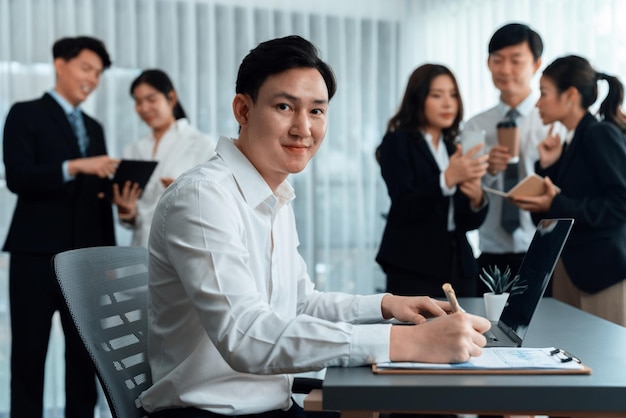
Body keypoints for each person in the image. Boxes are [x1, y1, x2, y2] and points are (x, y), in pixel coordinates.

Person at [139, 35, 491, 417]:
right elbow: (244, 336)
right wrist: (407, 343)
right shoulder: (203, 198)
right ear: (243, 109)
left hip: (272, 404)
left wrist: (388, 306)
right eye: (285, 106)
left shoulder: (275, 194)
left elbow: (301, 302)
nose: (302, 128)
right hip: (209, 412)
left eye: (317, 111)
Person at [2, 36, 118, 417]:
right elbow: (19, 178)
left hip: (84, 263)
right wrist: (75, 166)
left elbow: (98, 200)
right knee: (29, 358)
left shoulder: (95, 127)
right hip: (35, 256)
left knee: (85, 362)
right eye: (86, 68)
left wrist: (109, 257)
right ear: (60, 64)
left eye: (98, 74)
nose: (92, 80)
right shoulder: (24, 113)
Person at [511, 55, 626, 327]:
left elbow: (621, 204)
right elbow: (554, 211)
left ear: (570, 95)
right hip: (571, 272)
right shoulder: (571, 142)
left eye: (544, 93)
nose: (538, 102)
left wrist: (556, 201)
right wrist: (549, 167)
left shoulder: (599, 134)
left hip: (602, 276)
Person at [463, 23, 564, 295]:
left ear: (537, 64)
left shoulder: (554, 123)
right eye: (498, 60)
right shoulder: (474, 126)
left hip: (543, 248)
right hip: (490, 252)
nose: (505, 69)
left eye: (516, 60)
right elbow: (467, 195)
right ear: (488, 64)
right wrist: (489, 170)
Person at [375, 64, 489, 298]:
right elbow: (403, 204)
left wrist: (477, 198)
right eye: (437, 95)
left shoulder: (453, 147)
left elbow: (467, 223)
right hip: (413, 267)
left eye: (453, 95)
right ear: (418, 99)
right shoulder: (397, 142)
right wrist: (446, 179)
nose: (448, 103)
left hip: (459, 267)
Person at [113, 69, 216, 247]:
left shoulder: (203, 145)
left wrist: (187, 195)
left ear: (171, 97)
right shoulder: (134, 149)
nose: (144, 108)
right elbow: (136, 219)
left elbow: (216, 204)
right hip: (140, 251)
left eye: (151, 99)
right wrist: (127, 212)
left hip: (182, 248)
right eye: (138, 102)